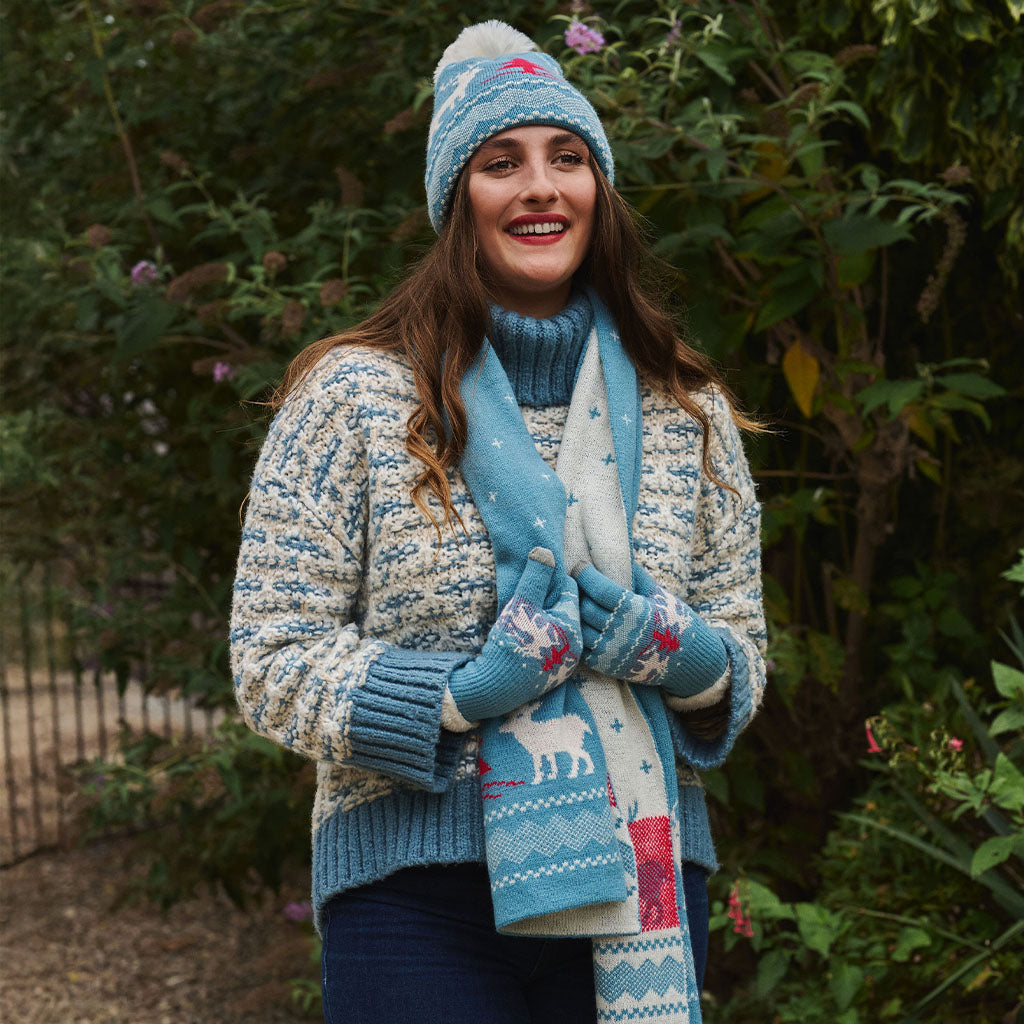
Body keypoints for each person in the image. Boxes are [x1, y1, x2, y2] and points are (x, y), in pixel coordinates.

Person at [230, 19, 766, 1024]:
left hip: (641, 877)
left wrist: (679, 652)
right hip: (412, 897)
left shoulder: (687, 412)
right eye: (501, 162)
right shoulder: (353, 399)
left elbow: (741, 654)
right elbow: (270, 656)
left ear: (598, 190)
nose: (540, 188)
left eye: (567, 158)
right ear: (455, 200)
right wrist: (456, 694)